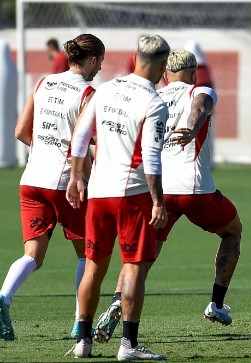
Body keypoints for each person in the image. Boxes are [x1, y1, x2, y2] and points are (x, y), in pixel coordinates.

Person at [92, 49, 242, 343]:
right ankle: (216, 303)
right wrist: (191, 128)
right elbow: (200, 106)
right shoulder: (200, 89)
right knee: (233, 232)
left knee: (141, 258)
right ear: (194, 73)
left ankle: (115, 302)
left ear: (164, 75)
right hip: (194, 189)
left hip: (157, 191)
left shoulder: (154, 97)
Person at [65, 34, 170, 361]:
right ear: (163, 65)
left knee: (94, 267)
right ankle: (128, 345)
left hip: (98, 194)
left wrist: (75, 176)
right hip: (132, 195)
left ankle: (83, 341)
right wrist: (158, 201)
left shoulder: (106, 88)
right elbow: (151, 158)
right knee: (135, 268)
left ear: (135, 57)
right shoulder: (154, 102)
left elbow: (81, 135)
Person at [0, 34, 104, 341]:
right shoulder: (88, 94)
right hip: (64, 183)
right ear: (93, 60)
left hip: (32, 181)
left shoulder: (43, 82)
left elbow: (21, 131)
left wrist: (47, 149)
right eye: (100, 62)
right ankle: (78, 321)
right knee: (87, 254)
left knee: (33, 255)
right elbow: (83, 146)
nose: (99, 69)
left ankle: (3, 297)